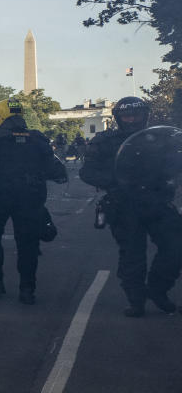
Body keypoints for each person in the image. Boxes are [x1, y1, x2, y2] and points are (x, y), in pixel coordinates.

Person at [80, 97, 182, 317]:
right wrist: (116, 180)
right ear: (118, 117)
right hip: (124, 204)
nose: (132, 119)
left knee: (176, 247)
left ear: (145, 115)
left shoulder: (160, 138)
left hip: (157, 202)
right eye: (127, 115)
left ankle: (157, 290)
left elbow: (176, 163)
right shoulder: (105, 140)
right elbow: (86, 172)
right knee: (132, 256)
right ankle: (136, 301)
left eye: (136, 115)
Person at [0, 99, 67, 304]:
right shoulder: (37, 138)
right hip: (30, 197)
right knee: (28, 244)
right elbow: (54, 169)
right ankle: (27, 289)